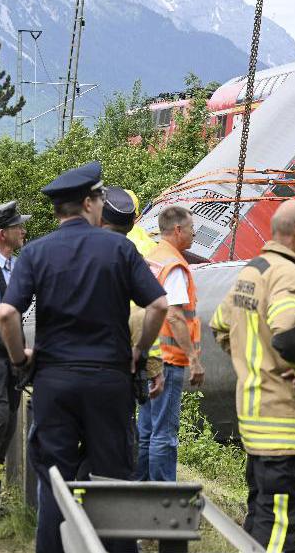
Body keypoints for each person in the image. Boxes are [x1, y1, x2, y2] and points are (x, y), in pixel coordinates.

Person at [0, 162, 168, 553]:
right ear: (91, 203)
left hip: (54, 382)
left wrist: (20, 360)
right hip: (109, 382)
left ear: (59, 210)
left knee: (54, 482)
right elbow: (158, 305)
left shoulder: (36, 253)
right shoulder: (120, 249)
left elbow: (6, 314)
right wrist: (140, 352)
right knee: (112, 482)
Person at [209, 200, 295, 553]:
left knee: (260, 521)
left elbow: (222, 325)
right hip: (284, 425)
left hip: (258, 425)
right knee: (282, 528)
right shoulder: (287, 275)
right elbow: (289, 334)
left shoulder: (253, 272)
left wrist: (256, 363)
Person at [135, 205, 203, 482]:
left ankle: (140, 487)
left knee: (147, 430)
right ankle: (164, 493)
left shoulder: (152, 258)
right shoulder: (174, 265)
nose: (194, 233)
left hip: (148, 354)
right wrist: (194, 359)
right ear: (177, 230)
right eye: (190, 229)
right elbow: (175, 315)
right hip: (169, 358)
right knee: (165, 433)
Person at [100, 187, 164, 401]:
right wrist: (151, 361)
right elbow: (150, 307)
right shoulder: (147, 245)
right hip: (125, 344)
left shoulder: (69, 246)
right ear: (136, 215)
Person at [0, 201, 30, 506]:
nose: (23, 230)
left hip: (10, 362)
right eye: (17, 226)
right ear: (2, 234)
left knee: (7, 421)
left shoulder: (17, 267)